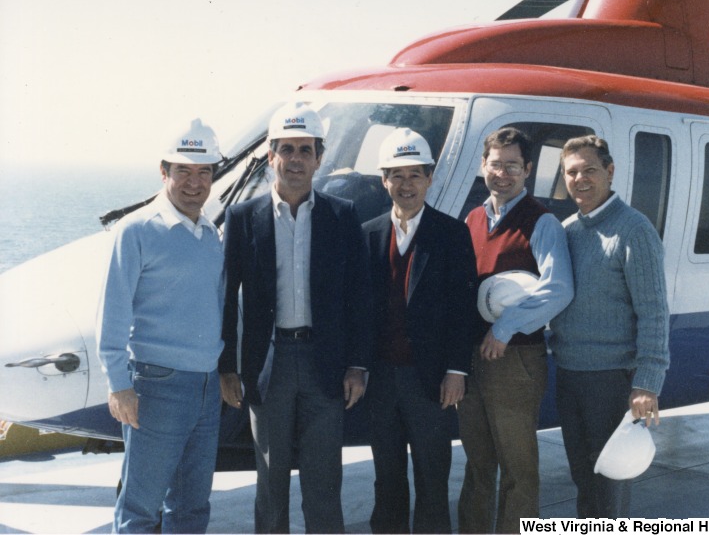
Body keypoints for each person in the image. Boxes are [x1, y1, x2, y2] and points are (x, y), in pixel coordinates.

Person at [219, 101, 372, 533]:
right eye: (286, 149)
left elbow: (360, 297)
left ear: (319, 158)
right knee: (271, 481)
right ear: (271, 157)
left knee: (324, 480)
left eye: (305, 150)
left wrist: (358, 365)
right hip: (269, 366)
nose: (296, 160)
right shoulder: (242, 218)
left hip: (325, 364)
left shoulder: (341, 215)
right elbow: (228, 297)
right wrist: (227, 367)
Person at [96, 119, 225, 533]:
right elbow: (112, 313)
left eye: (204, 172)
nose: (194, 182)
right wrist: (119, 385)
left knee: (191, 507)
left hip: (207, 387)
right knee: (141, 508)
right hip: (156, 385)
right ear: (163, 171)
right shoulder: (135, 230)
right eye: (184, 171)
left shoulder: (209, 234)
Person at [362, 128, 478, 533]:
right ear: (384, 181)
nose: (406, 184)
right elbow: (360, 313)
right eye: (397, 175)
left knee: (432, 479)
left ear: (430, 179)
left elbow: (464, 310)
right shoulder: (369, 235)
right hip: (382, 380)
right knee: (387, 479)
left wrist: (457, 371)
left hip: (429, 380)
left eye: (415, 175)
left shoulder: (451, 234)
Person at [458, 127, 574, 533]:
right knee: (477, 464)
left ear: (527, 170)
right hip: (472, 359)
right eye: (495, 164)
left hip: (515, 360)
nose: (502, 174)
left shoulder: (542, 223)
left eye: (512, 166)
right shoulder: (472, 219)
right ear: (483, 166)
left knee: (517, 468)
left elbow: (558, 289)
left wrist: (506, 327)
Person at [549, 134, 670, 518]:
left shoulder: (635, 230)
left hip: (611, 379)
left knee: (610, 483)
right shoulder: (568, 229)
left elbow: (654, 311)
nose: (580, 179)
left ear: (610, 172)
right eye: (571, 172)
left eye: (590, 170)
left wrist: (647, 382)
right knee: (584, 478)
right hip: (569, 374)